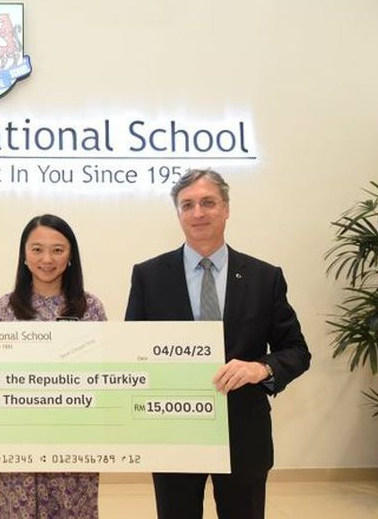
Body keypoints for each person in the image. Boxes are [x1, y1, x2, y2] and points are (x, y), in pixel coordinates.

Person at [124, 169, 311, 519]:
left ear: (226, 208)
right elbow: (132, 353)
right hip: (173, 433)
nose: (198, 213)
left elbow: (297, 351)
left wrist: (261, 369)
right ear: (178, 214)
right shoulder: (149, 276)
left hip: (244, 434)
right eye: (187, 205)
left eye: (208, 202)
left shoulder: (264, 277)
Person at [0, 214, 107, 519]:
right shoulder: (4, 309)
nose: (47, 259)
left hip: (75, 442)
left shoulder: (91, 308)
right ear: (24, 255)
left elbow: (105, 375)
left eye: (57, 250)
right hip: (17, 442)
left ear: (71, 256)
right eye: (37, 249)